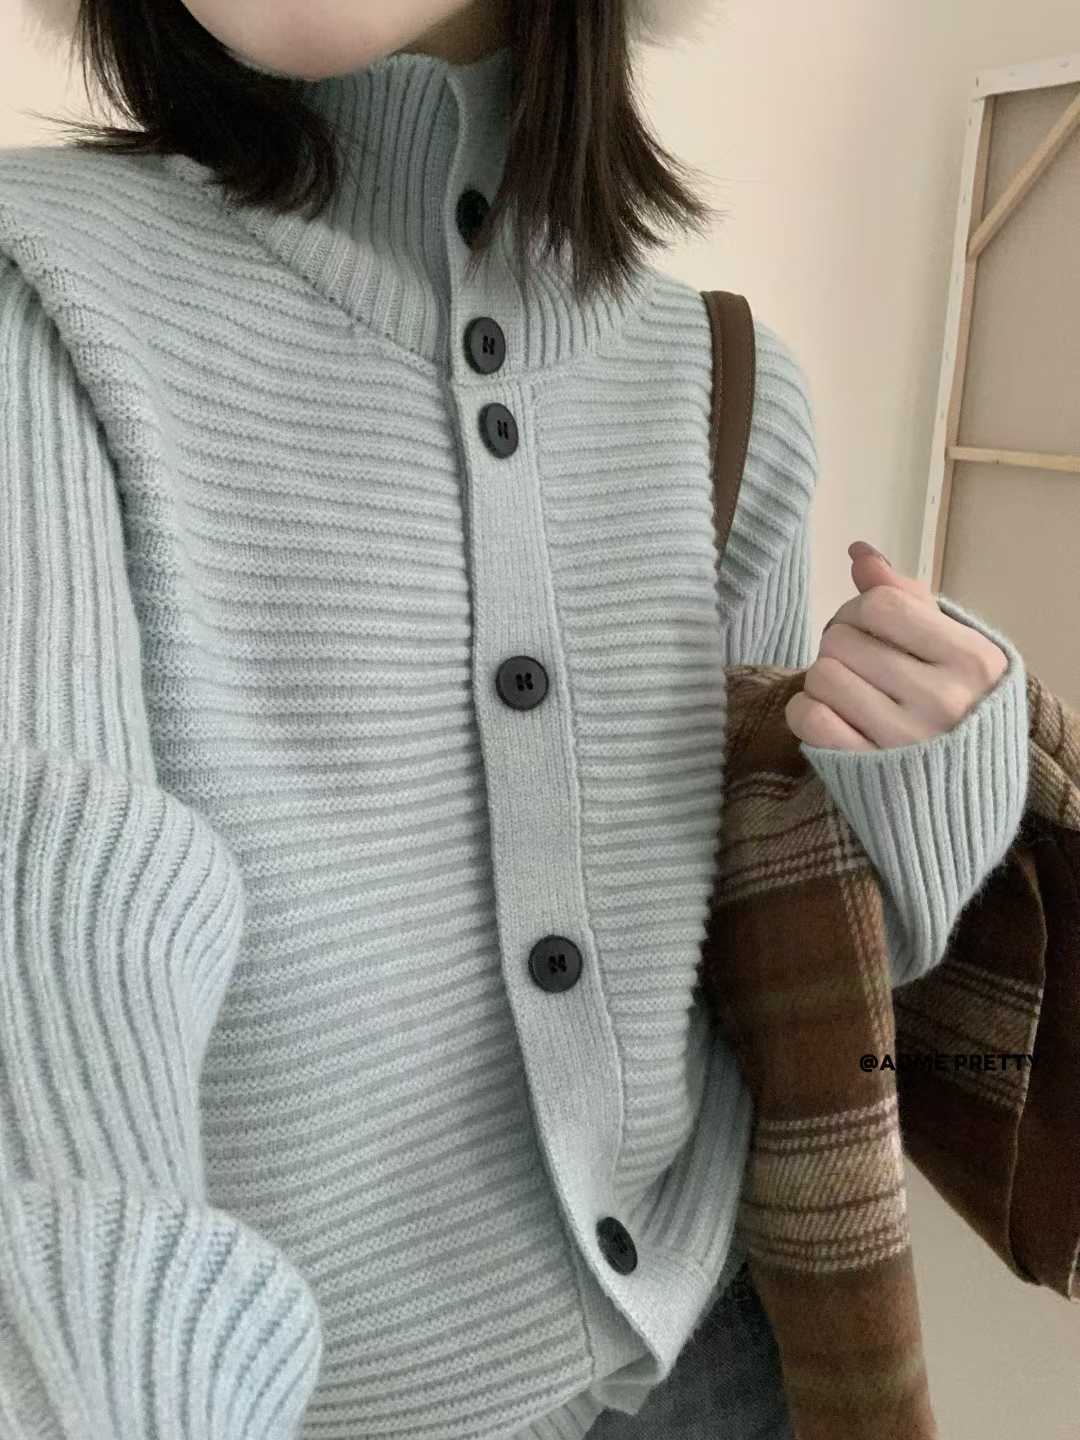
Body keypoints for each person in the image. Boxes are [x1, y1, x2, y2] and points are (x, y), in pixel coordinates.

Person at [1, 1, 1030, 1436]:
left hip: (722, 1351)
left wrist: (930, 793)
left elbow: (758, 931)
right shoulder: (43, 283)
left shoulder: (724, 376)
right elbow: (60, 915)